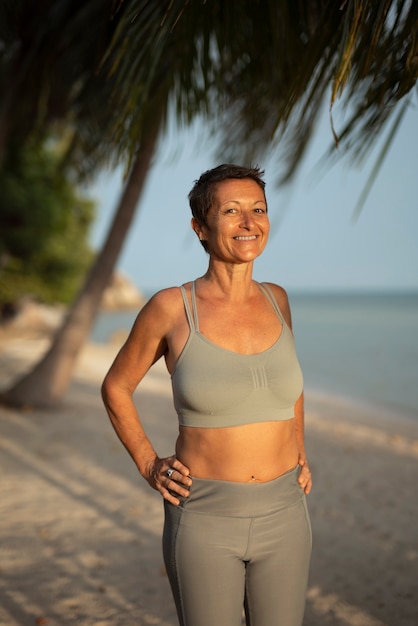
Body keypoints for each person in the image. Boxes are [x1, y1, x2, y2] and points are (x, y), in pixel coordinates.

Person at [101, 164, 312, 626]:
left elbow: (289, 385)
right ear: (200, 226)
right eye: (231, 211)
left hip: (286, 513)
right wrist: (148, 463)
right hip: (204, 517)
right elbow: (117, 385)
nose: (248, 223)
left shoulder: (278, 299)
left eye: (258, 210)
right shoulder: (171, 307)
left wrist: (300, 450)